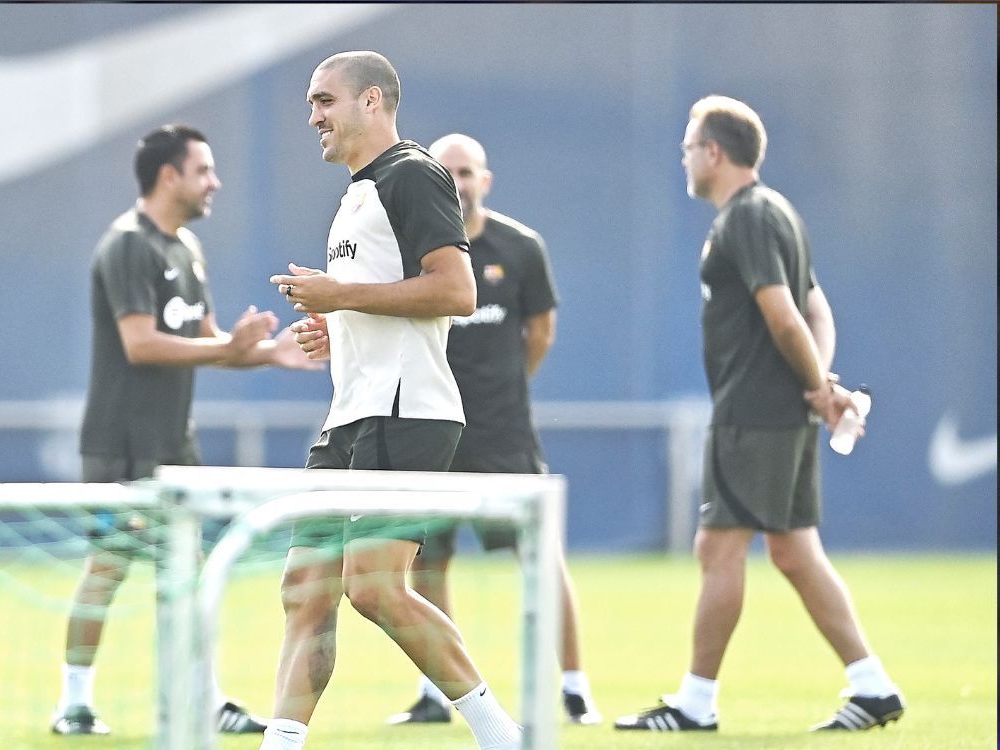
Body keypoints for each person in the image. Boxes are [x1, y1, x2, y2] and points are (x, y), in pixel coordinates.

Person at [257, 51, 523, 750]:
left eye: (324, 101)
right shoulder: (354, 193)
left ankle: (504, 736)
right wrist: (333, 326)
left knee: (374, 589)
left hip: (407, 412)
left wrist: (341, 296)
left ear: (371, 101)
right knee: (304, 589)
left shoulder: (414, 173)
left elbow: (457, 292)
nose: (312, 116)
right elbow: (384, 301)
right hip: (351, 412)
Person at [614, 96, 905, 733]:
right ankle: (874, 686)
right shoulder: (778, 211)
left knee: (717, 550)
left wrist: (816, 387)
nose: (685, 159)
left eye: (690, 147)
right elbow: (816, 310)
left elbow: (783, 313)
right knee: (796, 555)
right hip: (783, 414)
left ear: (714, 153)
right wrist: (820, 386)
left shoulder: (744, 218)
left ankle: (695, 704)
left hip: (753, 416)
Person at [51, 124, 321, 736]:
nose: (214, 182)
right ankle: (73, 701)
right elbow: (141, 345)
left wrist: (270, 353)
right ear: (169, 175)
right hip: (120, 443)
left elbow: (207, 345)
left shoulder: (186, 249)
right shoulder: (127, 245)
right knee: (109, 566)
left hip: (175, 444)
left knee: (192, 573)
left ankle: (205, 697)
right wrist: (229, 348)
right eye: (204, 170)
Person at [383, 133, 600, 728]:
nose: (458, 181)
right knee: (426, 563)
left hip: (504, 435)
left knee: (540, 557)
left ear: (487, 179)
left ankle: (576, 688)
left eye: (468, 171)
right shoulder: (417, 251)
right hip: (434, 431)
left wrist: (505, 392)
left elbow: (542, 334)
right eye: (446, 172)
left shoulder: (521, 248)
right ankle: (437, 694)